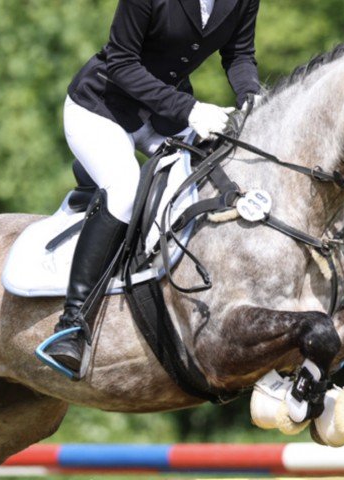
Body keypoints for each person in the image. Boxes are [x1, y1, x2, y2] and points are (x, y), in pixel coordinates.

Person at [45, 0, 261, 374]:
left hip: (163, 115)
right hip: (100, 109)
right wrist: (190, 109)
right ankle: (72, 324)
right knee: (126, 190)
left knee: (221, 171)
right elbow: (121, 63)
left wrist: (252, 98)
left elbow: (239, 54)